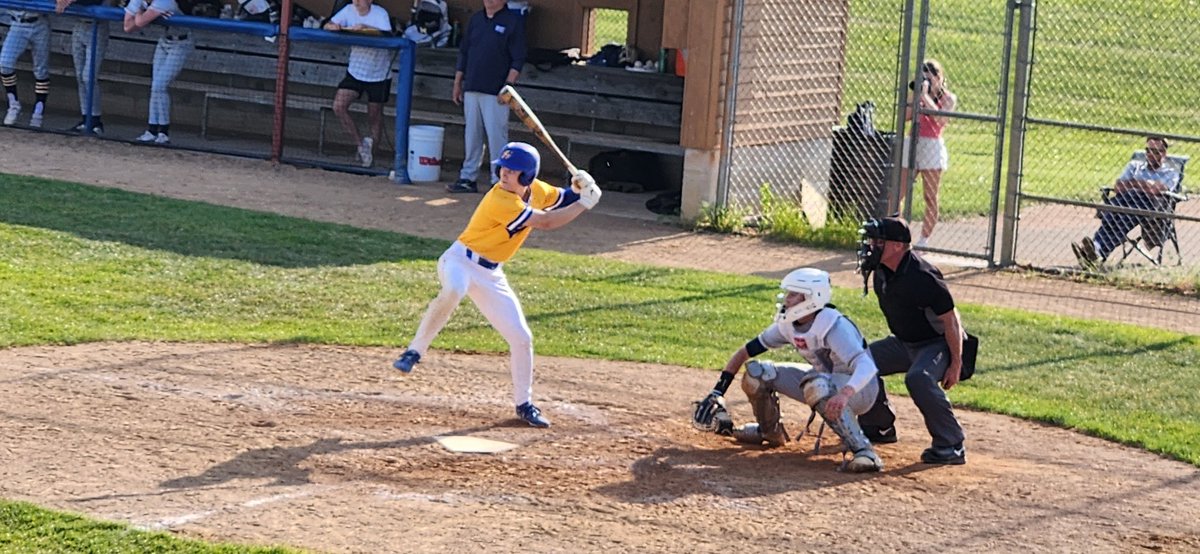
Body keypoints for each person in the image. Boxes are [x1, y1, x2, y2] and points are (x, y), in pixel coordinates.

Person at [391, 143, 602, 428]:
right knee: (454, 290)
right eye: (502, 168)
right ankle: (414, 351)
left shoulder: (536, 190)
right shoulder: (500, 199)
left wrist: (578, 190)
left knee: (521, 337)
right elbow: (547, 222)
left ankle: (524, 404)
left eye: (512, 170)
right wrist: (585, 203)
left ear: (527, 176)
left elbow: (559, 199)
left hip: (491, 274)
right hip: (459, 261)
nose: (504, 174)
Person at [691, 268, 884, 473]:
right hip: (825, 383)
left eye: (793, 294)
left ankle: (865, 452)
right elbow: (745, 352)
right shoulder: (788, 324)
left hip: (861, 390)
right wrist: (718, 391)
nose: (787, 299)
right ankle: (770, 432)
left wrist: (845, 394)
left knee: (817, 385)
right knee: (757, 373)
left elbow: (867, 366)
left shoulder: (834, 326)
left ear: (811, 298)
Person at [855, 216, 967, 465]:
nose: (871, 246)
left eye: (878, 241)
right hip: (905, 343)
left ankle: (952, 444)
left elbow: (951, 320)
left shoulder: (922, 276)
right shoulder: (881, 272)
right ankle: (880, 425)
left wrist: (955, 362)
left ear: (896, 246)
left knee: (919, 377)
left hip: (938, 343)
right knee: (860, 361)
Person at [448, 0, 526, 193]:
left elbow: (518, 59)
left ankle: (499, 180)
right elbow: (464, 53)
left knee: (496, 136)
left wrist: (508, 87)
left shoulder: (513, 22)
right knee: (472, 135)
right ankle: (468, 177)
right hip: (472, 86)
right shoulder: (476, 19)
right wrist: (458, 82)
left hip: (496, 91)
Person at [1072, 136, 1181, 269]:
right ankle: (1095, 251)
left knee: (1122, 216)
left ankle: (1096, 251)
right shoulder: (1135, 166)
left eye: (1156, 151)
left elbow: (1155, 190)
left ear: (1164, 153)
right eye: (1148, 150)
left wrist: (1133, 184)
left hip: (1149, 207)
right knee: (1117, 215)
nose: (1150, 154)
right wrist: (1144, 185)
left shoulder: (1171, 172)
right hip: (1125, 201)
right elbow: (1118, 187)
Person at [324, 0, 394, 168]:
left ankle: (371, 156)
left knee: (374, 116)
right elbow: (328, 24)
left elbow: (387, 35)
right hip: (356, 70)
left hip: (379, 73)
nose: (357, 1)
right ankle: (361, 146)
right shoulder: (348, 10)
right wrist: (332, 26)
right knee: (338, 106)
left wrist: (367, 29)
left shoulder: (380, 13)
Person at [896, 59, 956, 248]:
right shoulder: (917, 95)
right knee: (897, 193)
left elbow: (941, 119)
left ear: (939, 78)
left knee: (930, 196)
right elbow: (903, 118)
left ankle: (924, 239)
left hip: (932, 146)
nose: (927, 81)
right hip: (912, 142)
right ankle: (899, 235)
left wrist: (926, 97)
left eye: (931, 78)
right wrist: (916, 96)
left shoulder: (948, 98)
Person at [125, 0, 194, 144]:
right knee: (154, 86)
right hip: (164, 41)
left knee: (159, 86)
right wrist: (142, 12)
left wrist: (139, 12)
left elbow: (139, 22)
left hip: (181, 43)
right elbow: (128, 27)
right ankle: (151, 130)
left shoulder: (164, 1)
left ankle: (163, 132)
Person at [56, 0, 110, 134]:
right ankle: (86, 118)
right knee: (80, 76)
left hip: (97, 26)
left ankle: (96, 121)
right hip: (79, 25)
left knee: (88, 77)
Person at [1, 6, 53, 128]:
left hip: (39, 22)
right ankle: (13, 105)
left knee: (41, 70)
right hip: (17, 23)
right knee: (5, 63)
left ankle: (38, 112)